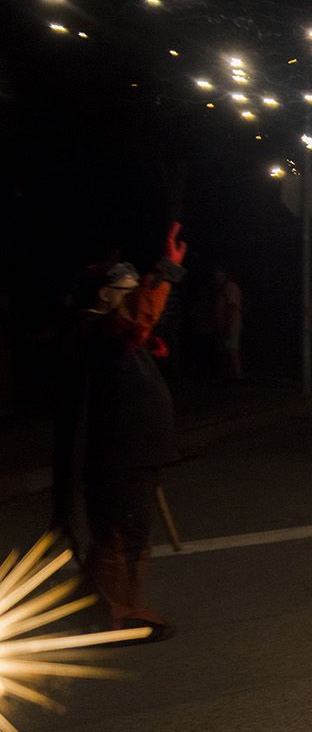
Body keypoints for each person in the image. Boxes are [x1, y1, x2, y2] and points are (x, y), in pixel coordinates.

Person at [52, 223, 188, 642]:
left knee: (126, 531)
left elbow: (141, 322)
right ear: (104, 293)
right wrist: (163, 272)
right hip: (117, 454)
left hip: (136, 452)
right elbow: (138, 316)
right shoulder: (95, 328)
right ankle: (119, 615)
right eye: (124, 291)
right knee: (121, 535)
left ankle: (100, 604)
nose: (132, 299)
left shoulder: (115, 332)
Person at [215, 266, 244, 382]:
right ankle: (231, 373)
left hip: (232, 324)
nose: (217, 278)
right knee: (228, 349)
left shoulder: (231, 287)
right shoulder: (223, 288)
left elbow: (232, 306)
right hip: (227, 323)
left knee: (232, 349)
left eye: (219, 275)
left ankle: (238, 375)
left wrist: (228, 323)